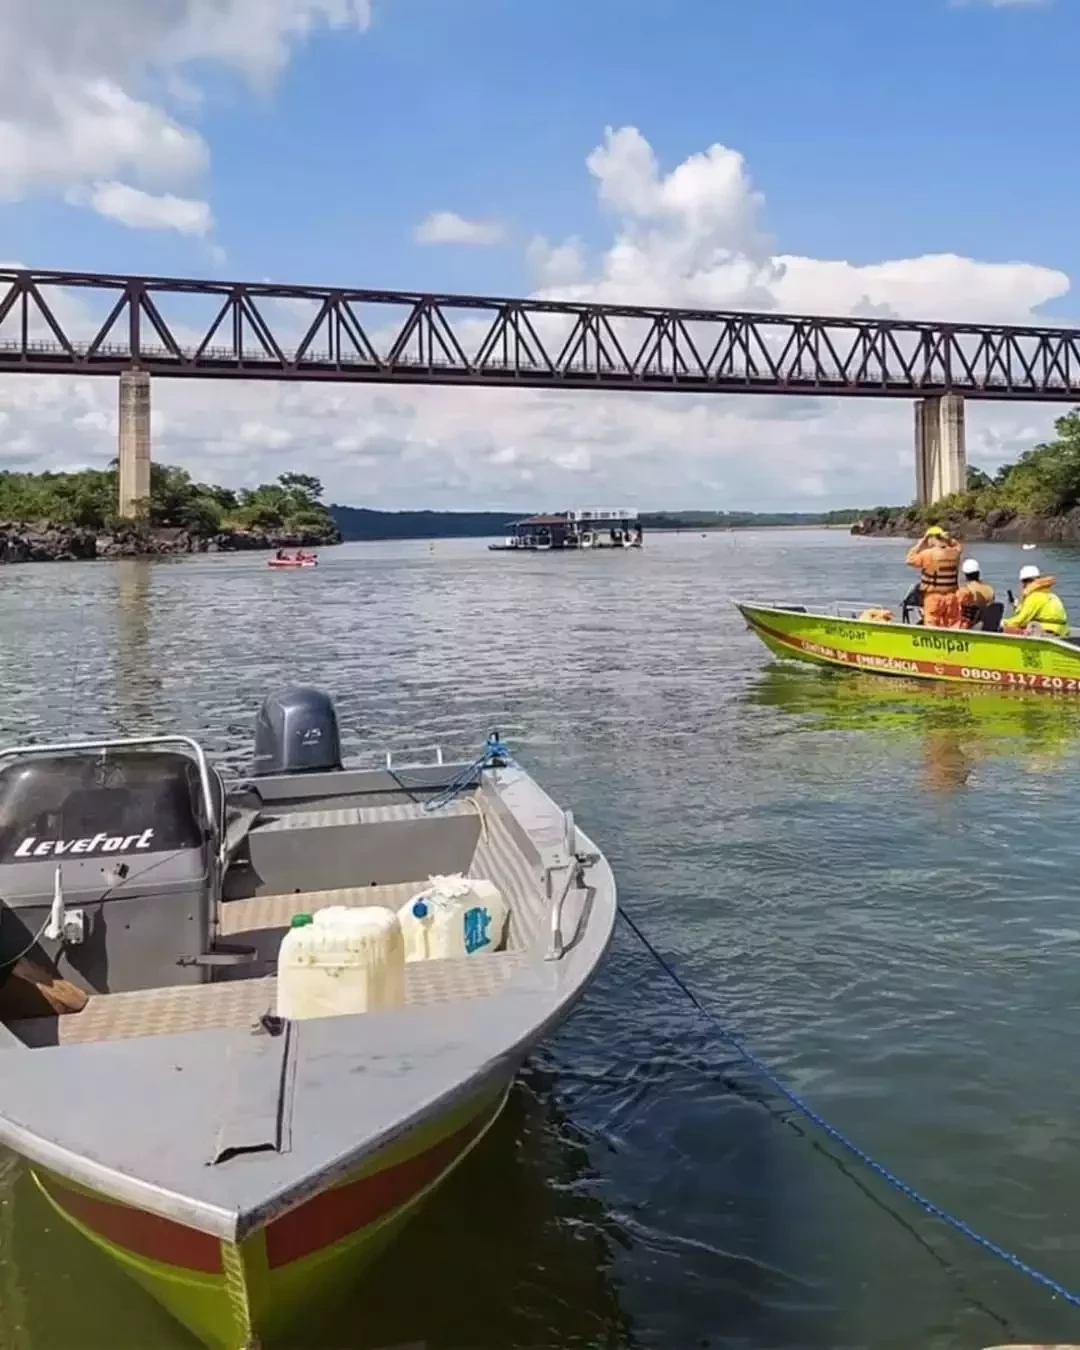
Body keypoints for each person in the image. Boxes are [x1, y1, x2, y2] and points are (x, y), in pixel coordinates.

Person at [905, 525, 961, 628]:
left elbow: (909, 560)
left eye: (927, 539)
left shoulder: (928, 554)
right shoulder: (955, 553)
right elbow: (958, 546)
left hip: (933, 597)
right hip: (952, 597)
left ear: (931, 538)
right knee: (952, 625)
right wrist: (949, 539)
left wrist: (919, 544)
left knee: (932, 625)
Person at [1002, 564, 1069, 637]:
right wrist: (1016, 605)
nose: (1023, 585)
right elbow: (1030, 612)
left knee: (1006, 629)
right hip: (1061, 633)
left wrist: (1003, 622)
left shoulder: (1035, 596)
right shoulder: (1052, 595)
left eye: (1024, 581)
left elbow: (1021, 620)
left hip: (1047, 634)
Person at [957, 558, 995, 630]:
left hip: (968, 627)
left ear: (965, 575)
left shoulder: (964, 592)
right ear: (978, 573)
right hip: (986, 626)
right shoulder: (990, 590)